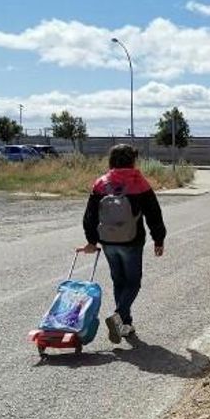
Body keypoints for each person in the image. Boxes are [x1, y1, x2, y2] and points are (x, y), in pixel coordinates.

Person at [78, 144, 166, 343]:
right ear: (132, 160)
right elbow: (154, 213)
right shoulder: (139, 182)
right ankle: (119, 315)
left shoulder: (101, 184)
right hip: (132, 241)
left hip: (108, 240)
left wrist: (91, 241)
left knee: (119, 281)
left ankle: (125, 324)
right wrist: (158, 239)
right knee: (133, 282)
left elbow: (89, 215)